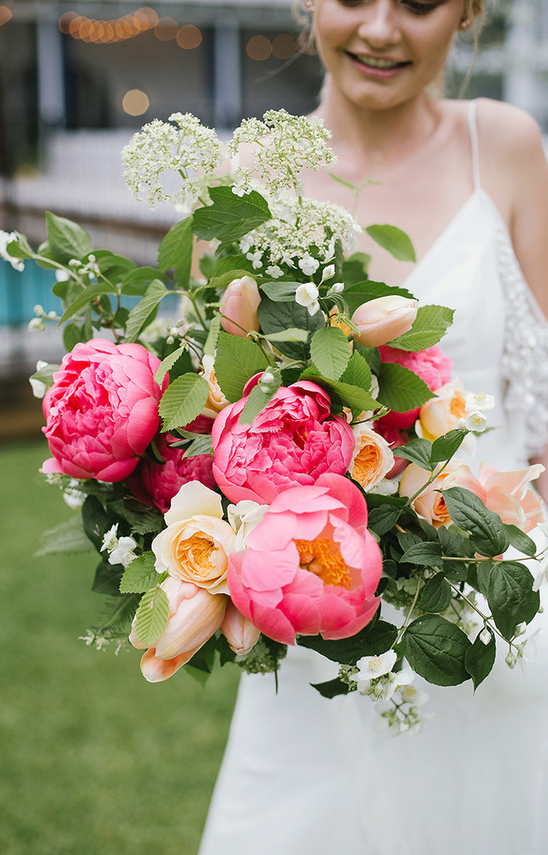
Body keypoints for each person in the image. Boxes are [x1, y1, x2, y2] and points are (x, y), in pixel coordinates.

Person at [199, 1, 548, 853]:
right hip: (318, 614)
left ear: (468, 13)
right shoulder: (246, 175)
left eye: (422, 2)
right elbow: (214, 412)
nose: (383, 30)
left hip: (497, 600)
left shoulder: (504, 145)